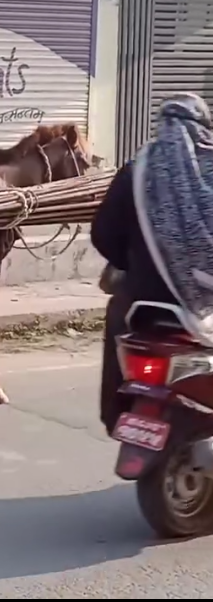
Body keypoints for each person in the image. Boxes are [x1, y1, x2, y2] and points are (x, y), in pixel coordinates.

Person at [91, 92, 213, 435]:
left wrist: (128, 264)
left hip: (142, 299)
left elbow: (103, 232)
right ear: (203, 127)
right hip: (203, 301)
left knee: (117, 317)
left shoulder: (137, 169)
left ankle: (115, 412)